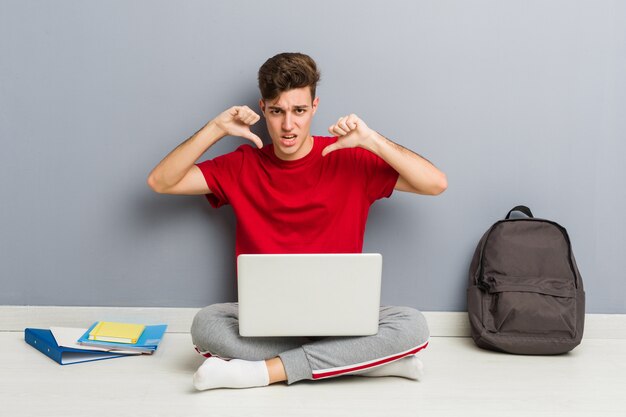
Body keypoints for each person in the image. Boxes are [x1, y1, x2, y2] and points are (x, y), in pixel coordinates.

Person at [147, 52, 447, 390]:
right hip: (267, 320)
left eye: (299, 111)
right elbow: (162, 181)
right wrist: (216, 129)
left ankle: (262, 373)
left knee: (413, 324)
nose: (288, 126)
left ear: (315, 107)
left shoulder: (349, 159)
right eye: (277, 112)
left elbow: (435, 183)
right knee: (207, 324)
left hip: (341, 319)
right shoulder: (242, 165)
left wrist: (372, 141)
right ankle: (360, 362)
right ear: (263, 108)